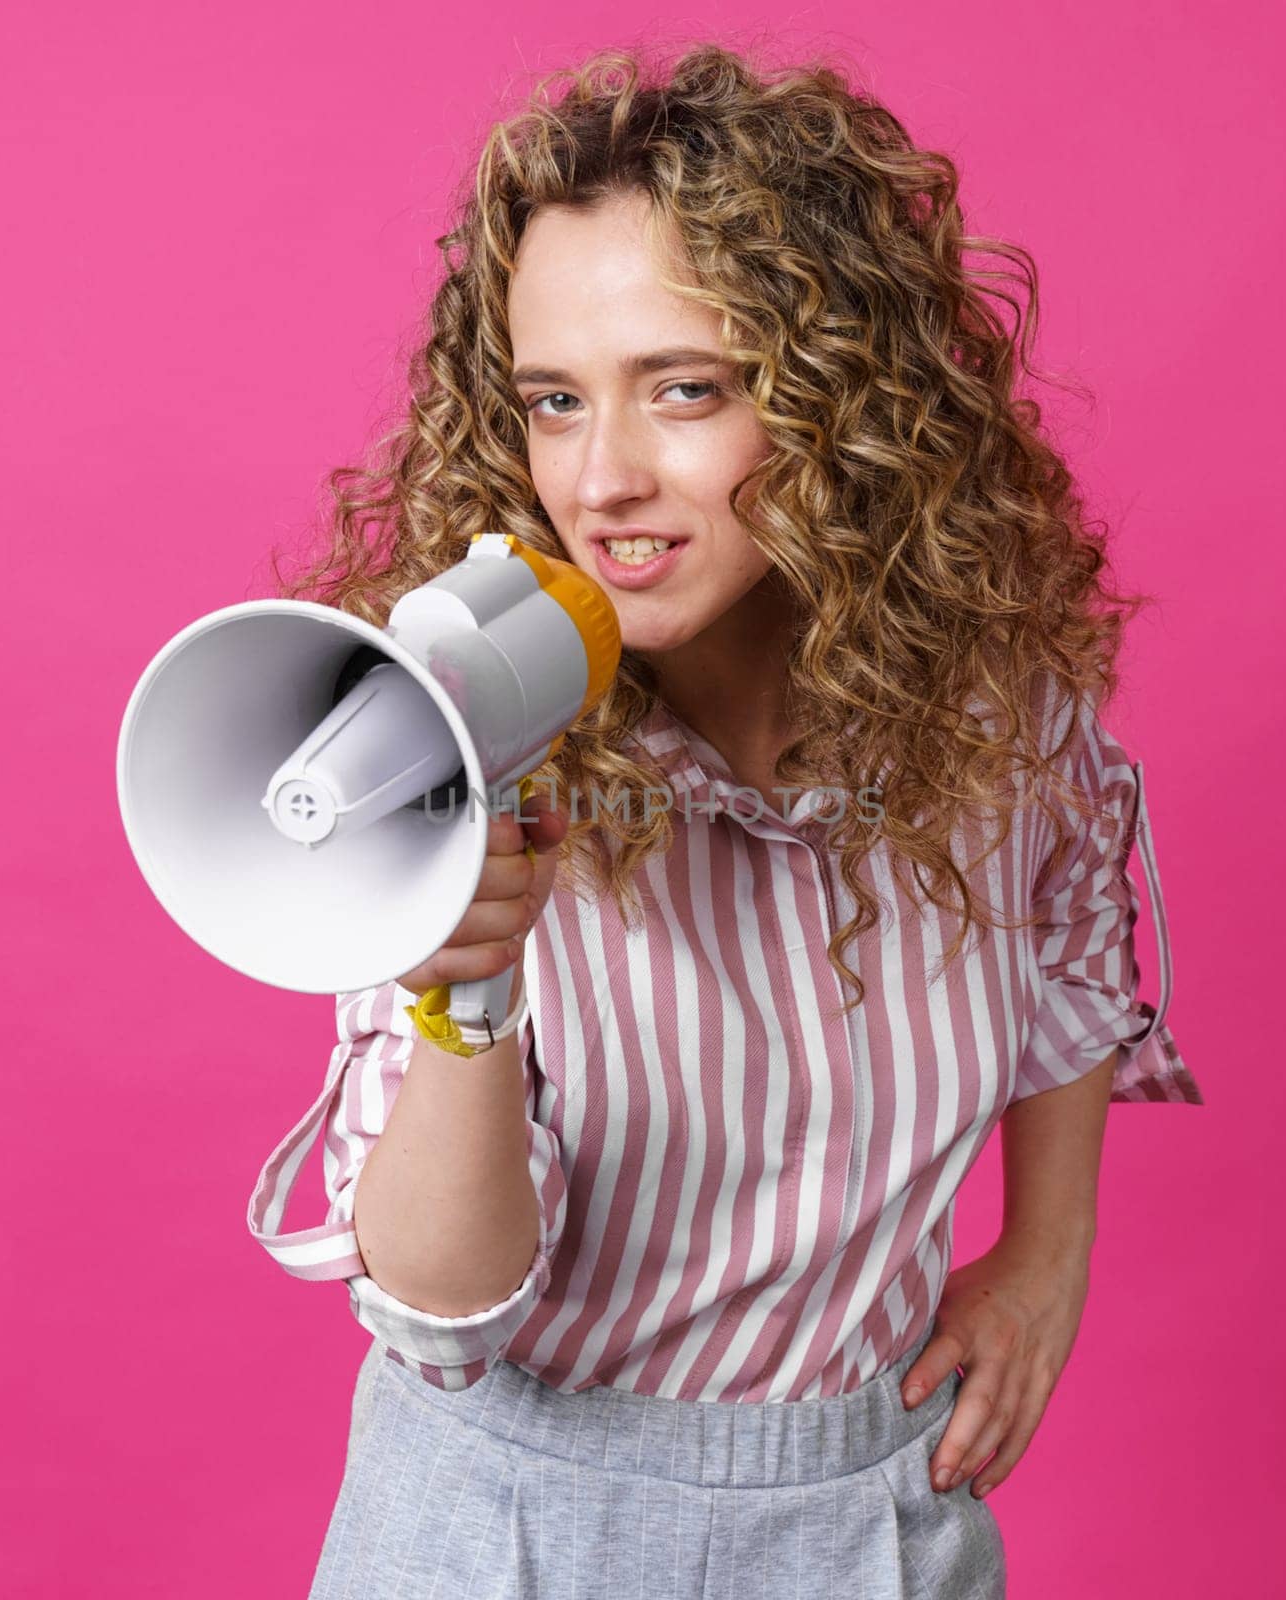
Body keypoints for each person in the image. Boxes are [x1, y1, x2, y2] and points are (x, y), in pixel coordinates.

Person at [247, 39, 1203, 1599]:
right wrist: (464, 990)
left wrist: (1049, 1253)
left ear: (848, 401)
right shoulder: (458, 737)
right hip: (505, 1530)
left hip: (871, 1525)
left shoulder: (999, 728)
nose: (603, 479)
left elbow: (1075, 930)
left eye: (685, 389)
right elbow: (438, 1312)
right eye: (556, 402)